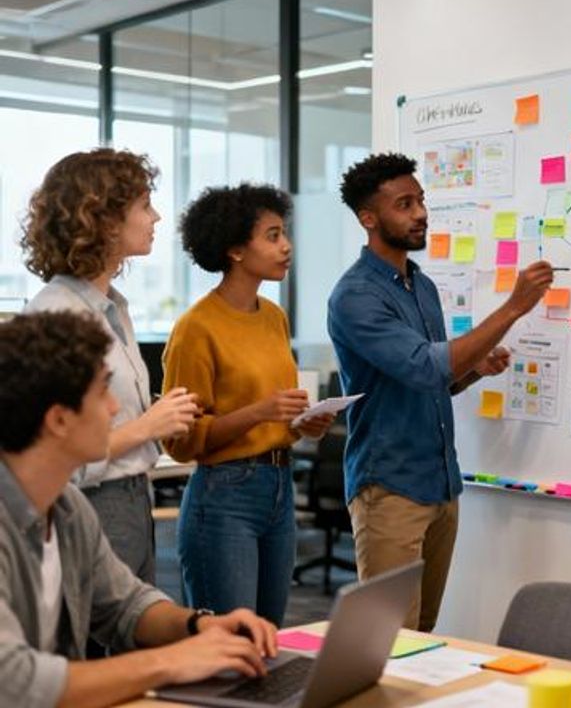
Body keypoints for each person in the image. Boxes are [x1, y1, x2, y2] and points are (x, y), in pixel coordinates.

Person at [0, 310, 278, 708]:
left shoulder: (67, 509)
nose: (115, 408)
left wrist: (200, 626)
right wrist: (170, 662)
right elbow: (14, 682)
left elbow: (126, 605)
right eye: (103, 393)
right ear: (59, 419)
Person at [328, 152, 554, 631]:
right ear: (369, 219)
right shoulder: (355, 296)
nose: (420, 214)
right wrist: (513, 307)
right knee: (390, 641)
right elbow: (424, 365)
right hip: (390, 489)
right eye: (404, 204)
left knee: (423, 635)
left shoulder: (422, 286)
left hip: (441, 485)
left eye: (421, 201)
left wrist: (472, 372)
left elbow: (432, 383)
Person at [21, 149, 198, 586]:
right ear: (103, 219)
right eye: (144, 205)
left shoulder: (111, 308)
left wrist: (157, 418)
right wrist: (147, 427)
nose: (156, 217)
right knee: (93, 644)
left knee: (131, 630)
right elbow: (50, 455)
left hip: (134, 495)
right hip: (90, 503)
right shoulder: (57, 316)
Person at [162, 183, 334, 626]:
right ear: (236, 250)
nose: (286, 246)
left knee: (267, 637)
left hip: (280, 485)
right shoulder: (196, 328)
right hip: (224, 496)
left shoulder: (274, 316)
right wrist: (259, 412)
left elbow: (277, 416)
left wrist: (304, 423)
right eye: (273, 235)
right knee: (229, 645)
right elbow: (182, 443)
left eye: (284, 233)